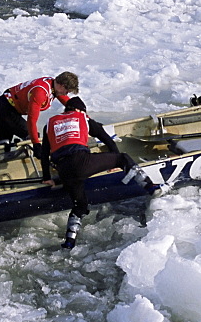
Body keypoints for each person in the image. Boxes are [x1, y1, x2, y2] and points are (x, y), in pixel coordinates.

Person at [39, 97, 158, 249]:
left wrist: (47, 178)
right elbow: (107, 140)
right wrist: (115, 162)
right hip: (83, 162)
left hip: (63, 170)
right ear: (80, 111)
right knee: (123, 158)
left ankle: (69, 243)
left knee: (79, 206)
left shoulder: (49, 124)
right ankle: (151, 187)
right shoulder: (83, 118)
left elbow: (44, 154)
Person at [0, 72, 78, 152]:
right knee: (30, 136)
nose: (66, 94)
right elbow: (32, 120)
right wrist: (36, 143)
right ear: (61, 86)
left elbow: (69, 103)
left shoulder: (52, 84)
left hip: (8, 105)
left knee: (3, 143)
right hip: (5, 109)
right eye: (67, 91)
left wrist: (83, 115)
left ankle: (2, 152)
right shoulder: (40, 92)